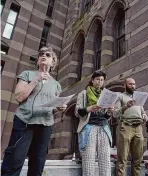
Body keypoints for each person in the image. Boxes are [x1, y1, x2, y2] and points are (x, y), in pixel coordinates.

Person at [1, 47, 67, 176]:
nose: (43, 56)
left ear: (53, 62)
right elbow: (19, 97)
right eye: (41, 54)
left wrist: (58, 109)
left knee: (38, 163)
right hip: (25, 121)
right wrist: (36, 79)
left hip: (45, 124)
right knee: (15, 159)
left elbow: (51, 107)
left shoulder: (56, 85)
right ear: (37, 60)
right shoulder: (27, 74)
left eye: (48, 55)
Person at [74, 71, 114, 176]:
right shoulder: (83, 93)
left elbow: (106, 116)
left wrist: (109, 112)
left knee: (105, 161)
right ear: (92, 80)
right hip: (89, 128)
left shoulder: (105, 95)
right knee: (88, 161)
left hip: (104, 128)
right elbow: (77, 112)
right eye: (97, 79)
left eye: (101, 80)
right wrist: (89, 108)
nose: (99, 82)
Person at [113, 78, 148, 176]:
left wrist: (145, 116)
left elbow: (143, 112)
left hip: (138, 128)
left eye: (134, 84)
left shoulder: (138, 97)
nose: (133, 86)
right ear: (125, 85)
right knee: (122, 159)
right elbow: (115, 114)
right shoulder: (120, 96)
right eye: (130, 84)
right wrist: (126, 106)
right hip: (125, 127)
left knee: (137, 160)